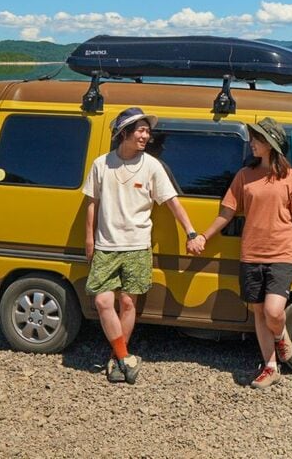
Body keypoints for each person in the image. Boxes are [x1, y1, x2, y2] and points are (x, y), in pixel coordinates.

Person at [83, 107, 201, 384]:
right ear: (123, 132)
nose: (146, 135)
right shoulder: (102, 164)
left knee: (127, 302)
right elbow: (91, 204)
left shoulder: (151, 166)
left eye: (148, 131)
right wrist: (89, 238)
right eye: (141, 130)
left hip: (137, 244)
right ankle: (125, 356)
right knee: (102, 301)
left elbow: (172, 201)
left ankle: (116, 358)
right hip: (106, 244)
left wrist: (191, 231)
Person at [191, 117, 292, 389]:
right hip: (251, 254)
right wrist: (204, 236)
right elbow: (227, 212)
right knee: (258, 311)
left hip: (282, 253)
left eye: (257, 139)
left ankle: (280, 336)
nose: (252, 143)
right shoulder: (244, 176)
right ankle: (270, 366)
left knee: (273, 311)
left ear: (271, 144)